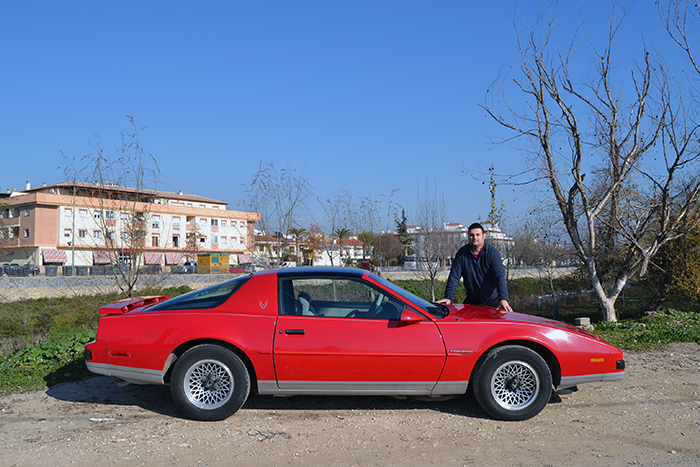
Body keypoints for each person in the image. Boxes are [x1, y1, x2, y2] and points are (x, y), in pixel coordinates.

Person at [436, 222, 512, 313]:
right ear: (468, 237)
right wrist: (448, 297)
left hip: (492, 301)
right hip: (472, 301)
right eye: (472, 235)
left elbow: (499, 276)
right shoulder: (462, 254)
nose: (475, 237)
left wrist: (503, 299)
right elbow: (454, 277)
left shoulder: (492, 253)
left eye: (477, 235)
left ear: (483, 236)